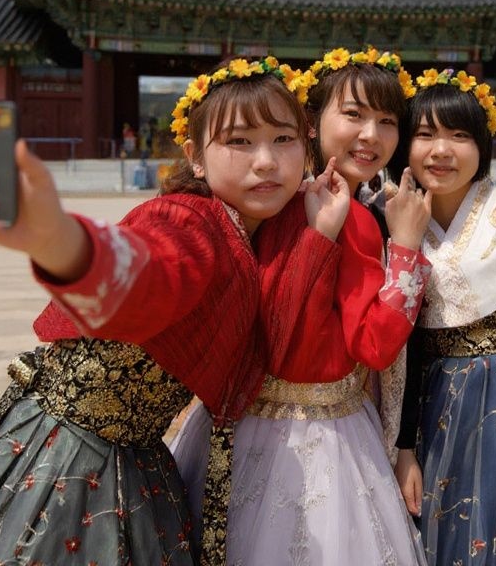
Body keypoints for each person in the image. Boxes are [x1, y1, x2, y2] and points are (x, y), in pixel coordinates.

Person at [0, 57, 351, 566]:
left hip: (137, 462)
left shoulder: (261, 231)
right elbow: (149, 273)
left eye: (283, 140)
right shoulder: (189, 219)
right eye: (239, 141)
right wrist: (60, 240)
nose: (265, 161)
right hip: (67, 456)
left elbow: (273, 337)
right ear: (195, 156)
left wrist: (319, 233)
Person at [172, 46, 432, 565]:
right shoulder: (349, 217)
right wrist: (406, 248)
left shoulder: (255, 200)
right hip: (323, 431)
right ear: (311, 122)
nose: (372, 136)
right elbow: (375, 345)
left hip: (238, 425)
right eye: (353, 115)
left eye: (387, 122)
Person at [394, 68, 496, 566]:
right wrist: (404, 447)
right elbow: (405, 346)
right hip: (436, 400)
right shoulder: (391, 213)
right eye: (425, 134)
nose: (440, 150)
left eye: (459, 135)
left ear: (482, 143)